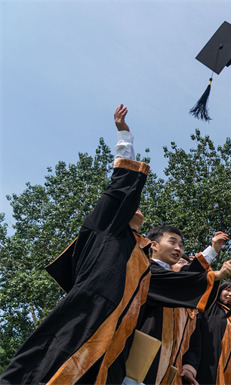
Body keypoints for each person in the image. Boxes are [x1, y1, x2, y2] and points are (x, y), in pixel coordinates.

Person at [0, 104, 152, 384]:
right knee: (48, 365)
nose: (139, 208)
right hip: (88, 310)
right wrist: (124, 138)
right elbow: (119, 187)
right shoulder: (107, 228)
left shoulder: (141, 253)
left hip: (114, 330)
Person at [136, 225, 231, 384]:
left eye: (181, 246)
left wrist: (213, 249)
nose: (178, 249)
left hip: (168, 366)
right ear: (153, 245)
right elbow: (180, 280)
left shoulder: (172, 284)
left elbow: (184, 276)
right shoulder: (144, 270)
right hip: (138, 363)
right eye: (172, 242)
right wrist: (216, 275)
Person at [180, 278, 231, 385]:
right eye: (227, 289)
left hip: (230, 378)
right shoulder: (211, 308)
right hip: (205, 371)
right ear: (219, 292)